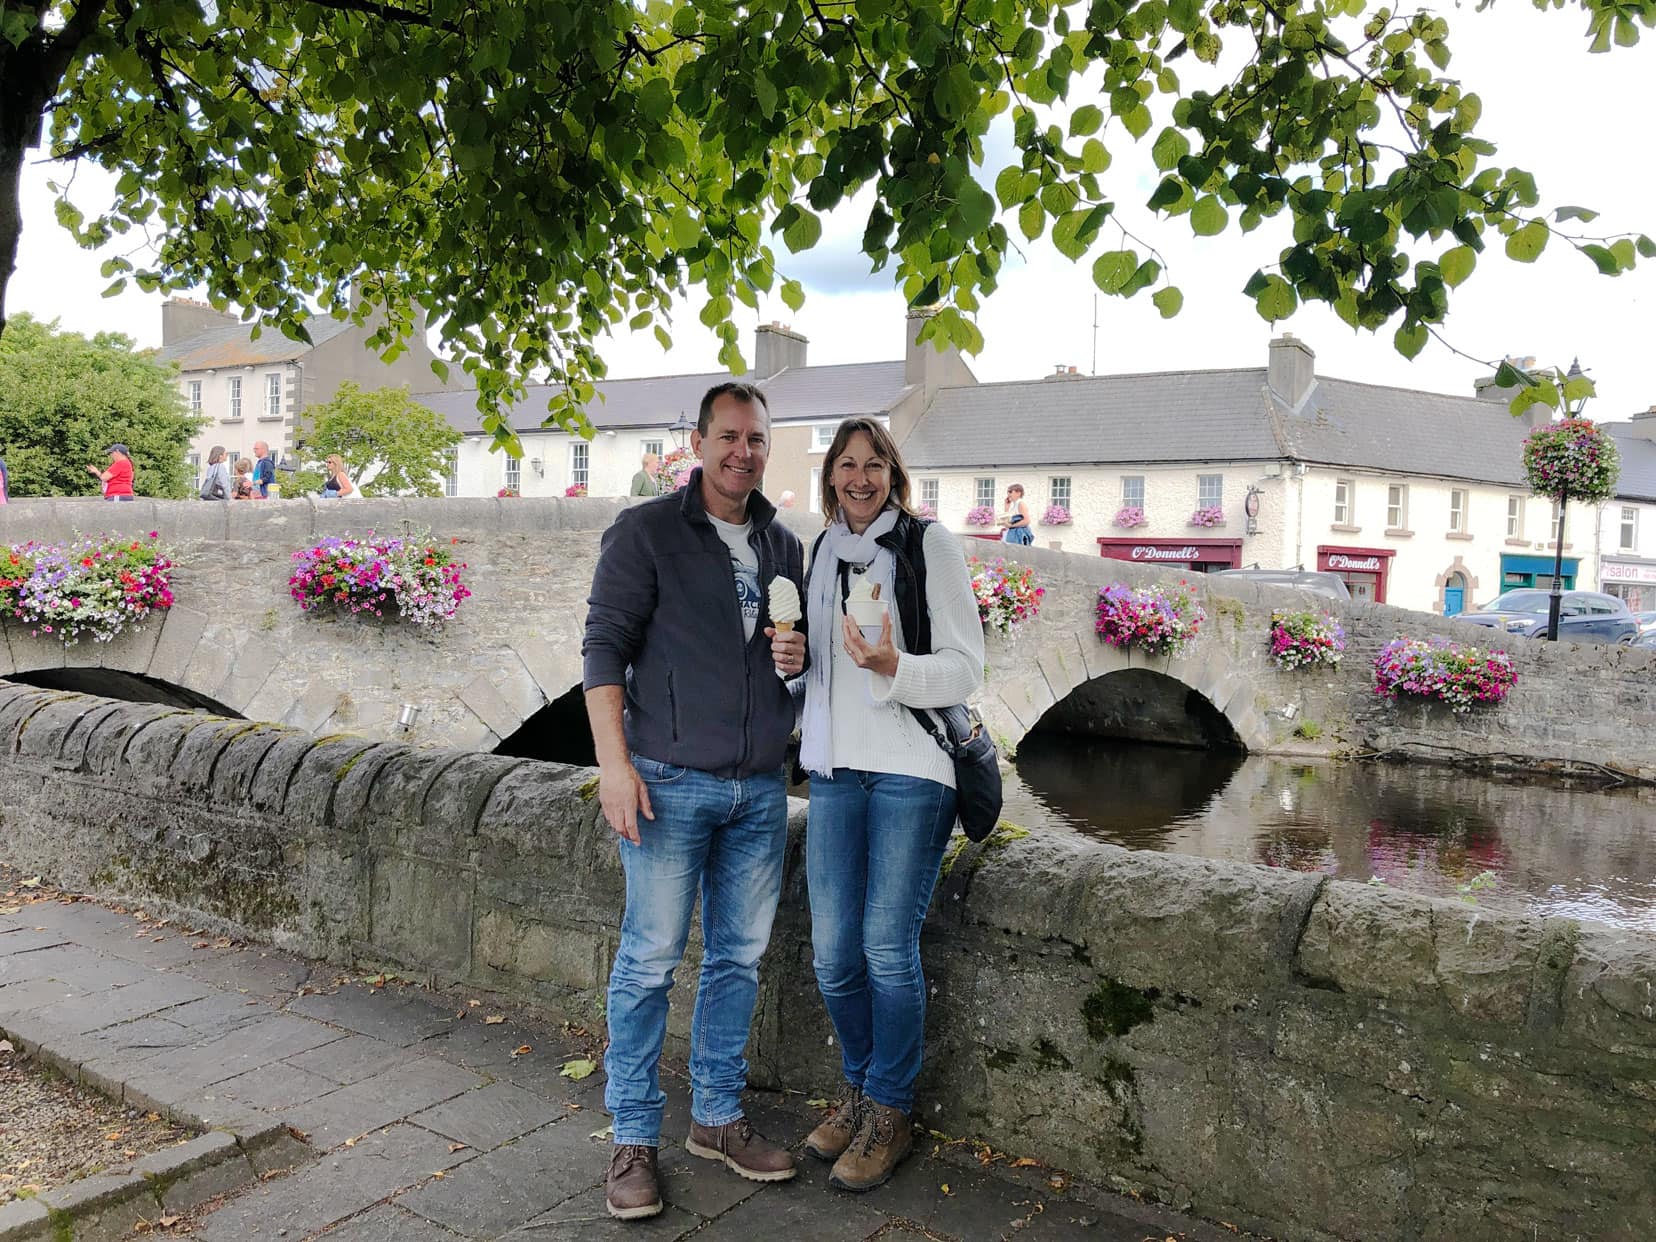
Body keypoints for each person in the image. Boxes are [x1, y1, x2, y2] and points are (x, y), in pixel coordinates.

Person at [582, 381, 806, 1221]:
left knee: (738, 962)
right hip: (669, 781)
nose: (743, 451)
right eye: (730, 436)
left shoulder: (784, 546)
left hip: (757, 788)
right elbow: (603, 649)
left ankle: (716, 1118)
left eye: (756, 439)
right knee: (647, 961)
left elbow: (796, 663)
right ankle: (632, 1135)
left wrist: (798, 659)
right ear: (699, 441)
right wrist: (615, 764)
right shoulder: (646, 533)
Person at [774, 416, 985, 1193]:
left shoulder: (930, 546)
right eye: (846, 465)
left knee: (885, 948)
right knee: (834, 956)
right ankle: (860, 1089)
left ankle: (889, 1111)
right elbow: (821, 679)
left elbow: (967, 668)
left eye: (874, 465)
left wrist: (897, 665)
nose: (859, 478)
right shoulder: (822, 551)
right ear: (830, 475)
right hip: (834, 773)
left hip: (909, 772)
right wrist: (792, 665)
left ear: (893, 474)